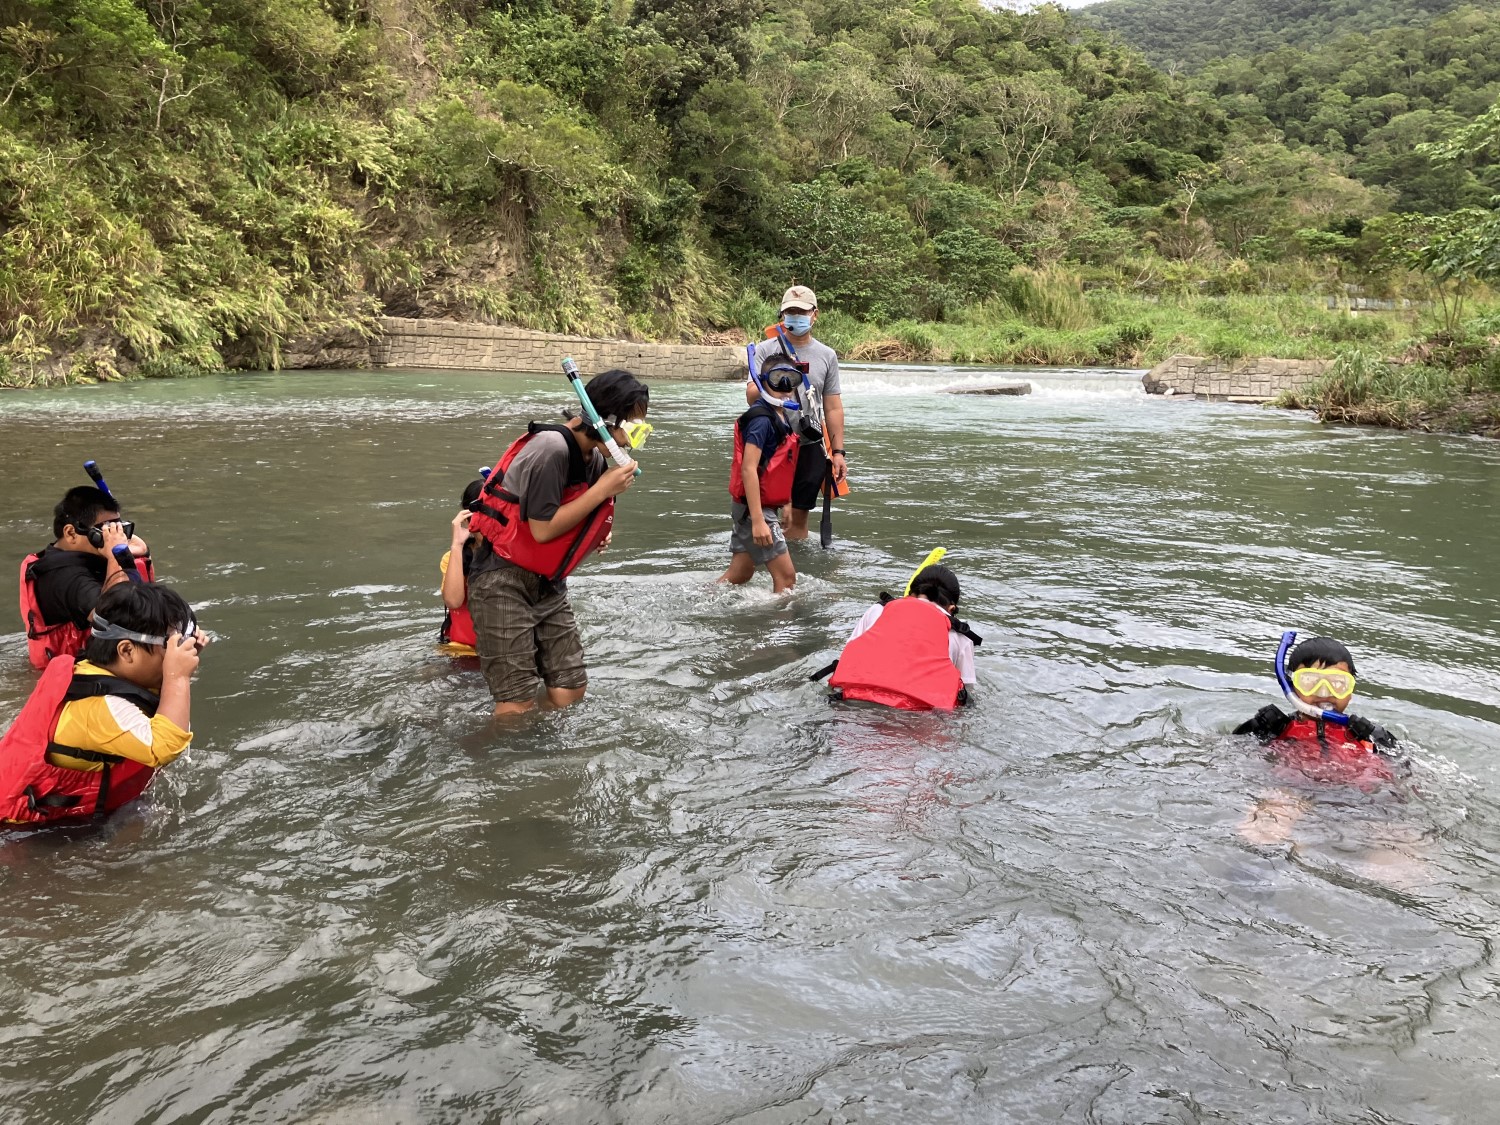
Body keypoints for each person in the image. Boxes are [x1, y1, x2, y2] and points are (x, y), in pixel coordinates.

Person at [466, 369, 648, 715]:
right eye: (633, 428)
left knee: (570, 688)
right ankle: (496, 760)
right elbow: (542, 530)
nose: (631, 441)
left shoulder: (593, 459)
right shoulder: (551, 449)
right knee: (516, 700)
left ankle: (545, 758)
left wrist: (596, 533)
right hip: (501, 580)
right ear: (606, 419)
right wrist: (602, 490)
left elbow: (575, 514)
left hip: (548, 583)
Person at [0, 581, 204, 826]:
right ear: (127, 651)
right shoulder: (101, 706)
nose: (176, 653)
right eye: (168, 647)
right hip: (21, 829)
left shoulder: (95, 671)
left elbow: (155, 702)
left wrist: (174, 669)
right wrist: (177, 676)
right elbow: (165, 746)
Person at [1234, 635, 1399, 791]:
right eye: (1310, 681)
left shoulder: (1371, 737)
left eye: (1337, 683)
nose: (1323, 692)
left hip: (1360, 798)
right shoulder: (1270, 729)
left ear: (1351, 691)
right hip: (1291, 789)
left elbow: (1403, 775)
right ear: (1291, 686)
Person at [746, 285, 846, 542]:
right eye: (790, 311)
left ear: (815, 315)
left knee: (799, 521)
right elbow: (750, 396)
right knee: (762, 515)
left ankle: (795, 575)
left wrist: (838, 452)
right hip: (770, 444)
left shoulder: (827, 356)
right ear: (782, 315)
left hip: (809, 443)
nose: (796, 317)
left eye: (801, 312)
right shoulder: (765, 350)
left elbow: (833, 406)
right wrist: (777, 379)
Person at [19, 486, 153, 669]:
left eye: (119, 528)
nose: (114, 537)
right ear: (71, 533)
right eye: (104, 530)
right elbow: (117, 617)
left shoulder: (91, 557)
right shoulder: (64, 577)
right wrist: (116, 554)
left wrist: (135, 551)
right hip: (75, 680)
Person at [825, 564, 980, 710]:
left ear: (911, 594)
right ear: (951, 608)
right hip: (916, 716)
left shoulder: (878, 610)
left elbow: (848, 657)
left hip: (852, 701)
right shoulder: (962, 636)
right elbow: (965, 694)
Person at [720, 353, 801, 594]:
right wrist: (758, 520)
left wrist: (787, 502)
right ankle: (776, 630)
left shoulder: (780, 414)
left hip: (754, 507)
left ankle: (696, 599)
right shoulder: (761, 420)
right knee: (787, 580)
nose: (785, 388)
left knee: (741, 573)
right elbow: (749, 468)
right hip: (754, 510)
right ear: (762, 381)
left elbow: (778, 467)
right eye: (778, 379)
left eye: (791, 379)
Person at [438, 475, 485, 656]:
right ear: (467, 519)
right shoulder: (453, 557)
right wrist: (457, 544)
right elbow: (453, 601)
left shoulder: (515, 554)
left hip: (504, 653)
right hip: (461, 652)